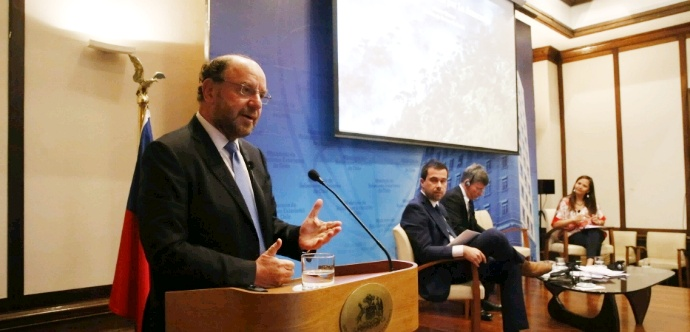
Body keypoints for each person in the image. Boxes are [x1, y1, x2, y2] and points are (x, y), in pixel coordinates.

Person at [137, 54, 342, 331]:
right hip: (195, 317)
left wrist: (298, 238)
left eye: (262, 95)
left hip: (251, 312)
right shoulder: (170, 154)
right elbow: (167, 251)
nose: (257, 103)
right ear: (210, 91)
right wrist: (252, 272)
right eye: (246, 90)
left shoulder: (253, 155)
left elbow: (262, 227)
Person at [400, 160, 552, 332]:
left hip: (455, 263)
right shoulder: (415, 208)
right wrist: (463, 249)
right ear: (422, 182)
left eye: (443, 181)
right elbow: (425, 251)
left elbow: (452, 236)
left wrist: (465, 243)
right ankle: (526, 266)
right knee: (493, 235)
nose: (439, 185)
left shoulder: (439, 207)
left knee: (509, 267)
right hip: (439, 270)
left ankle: (515, 328)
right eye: (433, 180)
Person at [440, 163, 500, 314]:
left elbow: (473, 225)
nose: (481, 193)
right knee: (489, 258)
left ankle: (483, 302)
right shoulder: (452, 197)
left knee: (493, 253)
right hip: (455, 251)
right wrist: (485, 238)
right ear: (467, 183)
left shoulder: (468, 200)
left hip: (467, 243)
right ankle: (477, 306)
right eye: (479, 188)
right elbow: (456, 228)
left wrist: (488, 235)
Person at [551, 175, 606, 266]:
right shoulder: (565, 201)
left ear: (588, 190)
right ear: (575, 184)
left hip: (589, 233)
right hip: (571, 234)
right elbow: (555, 224)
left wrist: (597, 221)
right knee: (596, 237)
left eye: (584, 186)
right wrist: (572, 220)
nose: (580, 186)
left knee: (595, 233)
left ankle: (589, 263)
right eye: (579, 183)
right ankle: (591, 265)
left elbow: (602, 220)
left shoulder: (592, 203)